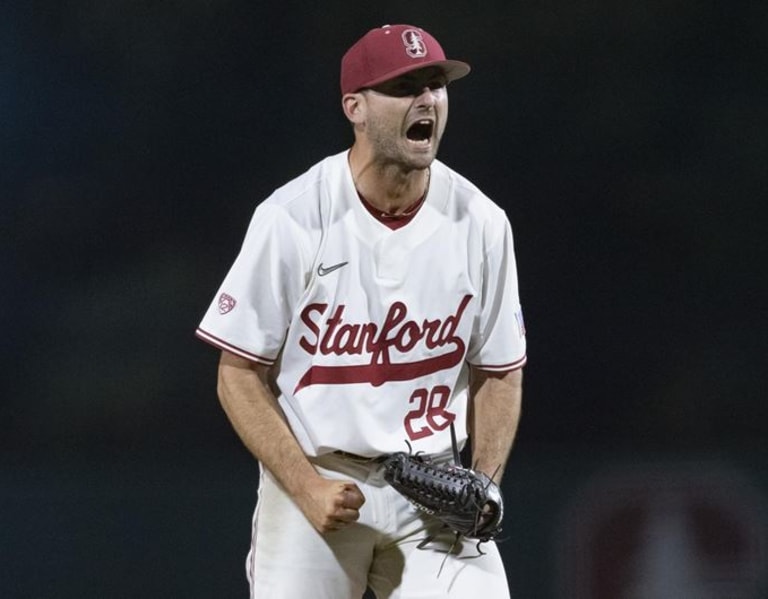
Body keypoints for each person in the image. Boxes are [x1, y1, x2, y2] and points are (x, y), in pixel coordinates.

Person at [196, 23, 527, 599]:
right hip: (320, 474)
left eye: (436, 85)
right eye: (404, 87)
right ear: (355, 106)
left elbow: (499, 370)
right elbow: (237, 374)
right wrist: (304, 487)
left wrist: (485, 483)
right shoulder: (294, 217)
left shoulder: (482, 222)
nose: (427, 99)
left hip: (435, 482)